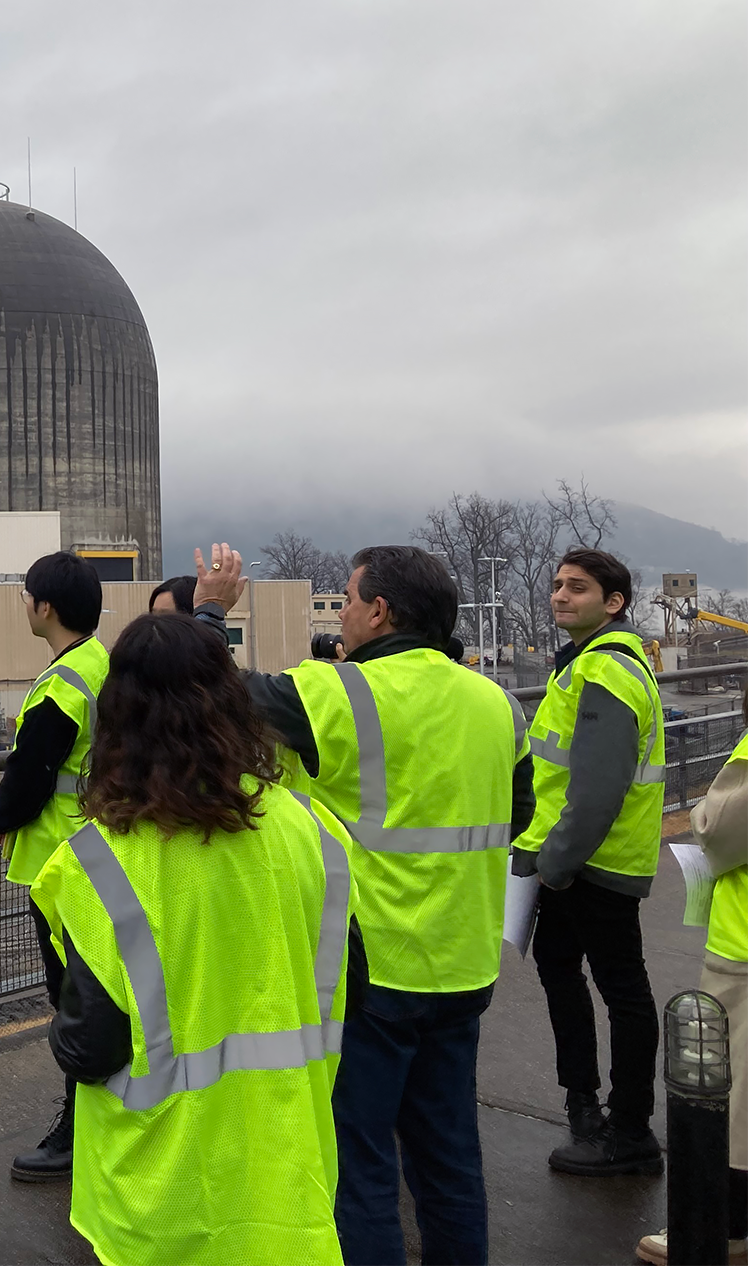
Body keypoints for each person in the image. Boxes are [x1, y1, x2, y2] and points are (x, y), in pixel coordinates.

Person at [195, 542, 533, 1265]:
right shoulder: (498, 703)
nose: (340, 613)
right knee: (449, 1160)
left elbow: (209, 694)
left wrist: (210, 610)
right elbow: (523, 811)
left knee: (362, 1163)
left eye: (346, 598)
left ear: (379, 611)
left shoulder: (335, 693)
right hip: (465, 962)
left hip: (368, 969)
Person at [32, 611, 363, 1266]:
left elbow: (88, 1045)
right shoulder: (313, 831)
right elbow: (358, 988)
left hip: (161, 1197)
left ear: (117, 716)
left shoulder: (97, 863)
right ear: (234, 704)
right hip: (289, 1175)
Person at [514, 549, 666, 1175]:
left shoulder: (607, 671)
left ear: (614, 603)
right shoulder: (582, 666)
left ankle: (629, 1129)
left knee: (621, 993)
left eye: (578, 588)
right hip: (571, 860)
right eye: (556, 585)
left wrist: (555, 864)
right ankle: (584, 1105)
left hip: (590, 867)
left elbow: (599, 788)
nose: (560, 595)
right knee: (562, 977)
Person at [0, 551, 110, 1182]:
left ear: (46, 607)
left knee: (72, 1000)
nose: (23, 605)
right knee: (97, 996)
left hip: (62, 863)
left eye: (26, 595)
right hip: (96, 856)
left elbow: (29, 780)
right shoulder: (100, 666)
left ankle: (78, 1130)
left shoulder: (63, 685)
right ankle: (93, 1121)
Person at [637, 710, 748, 1263]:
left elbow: (718, 828)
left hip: (744, 946)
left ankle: (728, 1225)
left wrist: (705, 806)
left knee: (732, 1097)